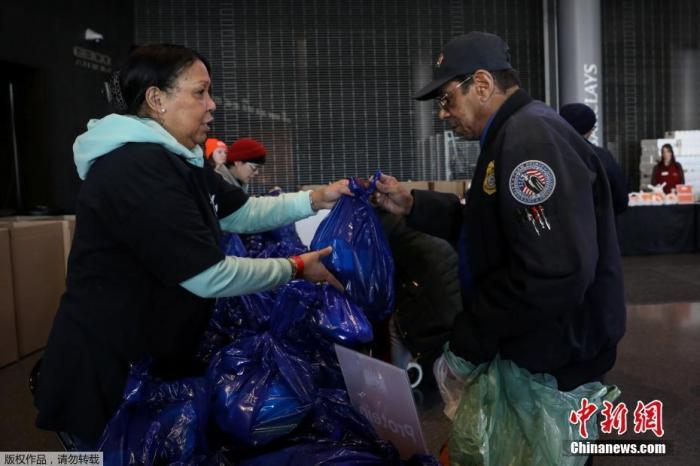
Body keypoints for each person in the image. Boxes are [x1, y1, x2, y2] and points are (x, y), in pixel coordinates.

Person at [34, 44, 350, 446]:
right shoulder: (136, 167)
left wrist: (317, 198)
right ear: (156, 99)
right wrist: (297, 267)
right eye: (200, 92)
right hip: (107, 376)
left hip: (147, 365)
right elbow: (209, 276)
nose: (212, 105)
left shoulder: (181, 159)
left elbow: (241, 213)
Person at [374, 32, 626, 393]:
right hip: (545, 344)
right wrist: (414, 205)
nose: (443, 113)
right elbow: (492, 228)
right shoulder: (511, 134)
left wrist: (473, 333)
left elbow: (554, 271)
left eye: (447, 99)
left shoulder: (530, 141)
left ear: (481, 84)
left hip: (558, 357)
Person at [559, 103, 629, 215]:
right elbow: (620, 199)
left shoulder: (549, 153)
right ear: (590, 130)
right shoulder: (601, 157)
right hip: (597, 226)